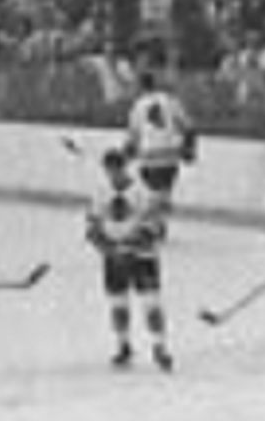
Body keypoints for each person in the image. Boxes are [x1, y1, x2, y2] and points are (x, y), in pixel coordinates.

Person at [85, 149, 171, 372]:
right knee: (118, 305)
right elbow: (92, 229)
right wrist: (108, 249)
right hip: (114, 258)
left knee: (151, 304)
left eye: (117, 169)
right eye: (109, 170)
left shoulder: (144, 193)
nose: (113, 175)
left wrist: (133, 246)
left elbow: (156, 229)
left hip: (143, 257)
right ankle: (123, 345)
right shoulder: (100, 193)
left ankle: (160, 347)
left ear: (124, 167)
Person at [125, 67, 197, 212]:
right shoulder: (170, 100)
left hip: (150, 155)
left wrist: (126, 154)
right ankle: (161, 221)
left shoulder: (138, 106)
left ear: (140, 86)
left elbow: (133, 137)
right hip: (170, 154)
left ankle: (156, 223)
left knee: (152, 196)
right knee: (164, 193)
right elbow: (189, 127)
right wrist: (189, 147)